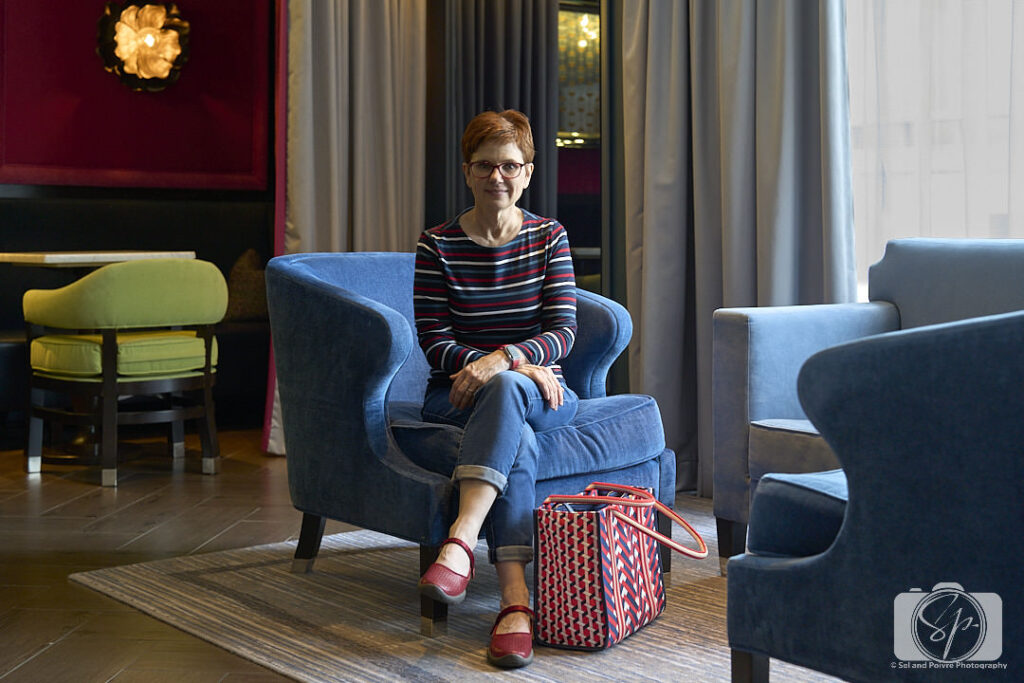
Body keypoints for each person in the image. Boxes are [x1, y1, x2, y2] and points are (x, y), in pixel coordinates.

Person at [413, 110, 577, 669]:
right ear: (467, 171)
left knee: (507, 389)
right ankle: (515, 601)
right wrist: (487, 369)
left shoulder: (548, 237)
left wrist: (507, 361)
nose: (497, 177)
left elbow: (564, 332)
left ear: (528, 173)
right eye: (486, 165)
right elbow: (433, 341)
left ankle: (460, 541)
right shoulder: (436, 245)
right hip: (455, 393)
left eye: (511, 166)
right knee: (519, 440)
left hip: (544, 390)